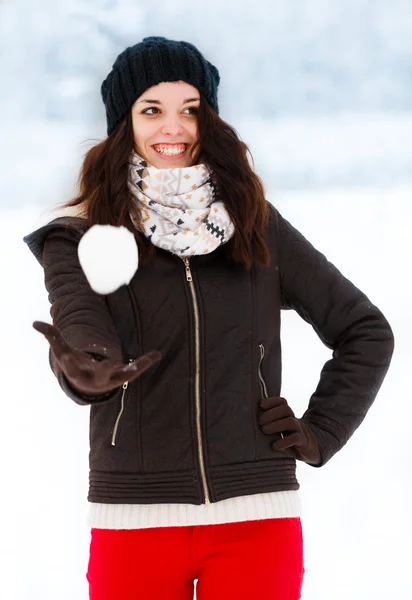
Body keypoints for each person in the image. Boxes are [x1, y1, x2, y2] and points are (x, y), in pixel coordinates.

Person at [23, 36, 394, 600]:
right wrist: (86, 367)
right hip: (135, 521)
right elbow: (81, 324)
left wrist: (322, 430)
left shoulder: (254, 226)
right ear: (124, 122)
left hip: (257, 518)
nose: (172, 128)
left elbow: (364, 330)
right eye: (152, 110)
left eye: (190, 110)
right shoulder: (80, 236)